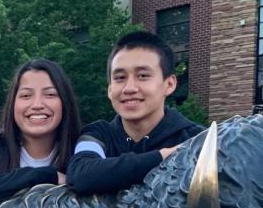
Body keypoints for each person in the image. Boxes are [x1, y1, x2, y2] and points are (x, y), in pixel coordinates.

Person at [67, 31, 205, 196]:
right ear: (110, 89)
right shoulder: (98, 135)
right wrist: (165, 157)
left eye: (142, 76)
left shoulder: (197, 140)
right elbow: (80, 174)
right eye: (120, 78)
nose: (129, 88)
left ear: (169, 84)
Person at [0, 58, 83, 208]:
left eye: (50, 95)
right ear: (12, 103)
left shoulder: (83, 146)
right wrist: (46, 176)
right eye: (26, 96)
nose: (37, 105)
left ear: (64, 102)